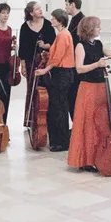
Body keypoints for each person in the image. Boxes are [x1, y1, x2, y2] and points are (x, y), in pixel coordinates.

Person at [67, 16, 111, 172]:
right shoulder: (80, 46)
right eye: (98, 26)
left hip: (101, 88)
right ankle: (86, 160)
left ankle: (99, 157)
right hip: (88, 89)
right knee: (88, 124)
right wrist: (97, 64)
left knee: (101, 124)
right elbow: (79, 69)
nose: (100, 29)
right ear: (90, 28)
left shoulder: (99, 44)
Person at [35, 9, 75, 152]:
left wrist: (44, 70)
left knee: (58, 109)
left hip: (61, 74)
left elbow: (58, 59)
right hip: (62, 73)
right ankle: (59, 140)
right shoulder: (62, 35)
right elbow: (56, 55)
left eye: (53, 18)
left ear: (60, 20)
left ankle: (61, 142)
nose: (51, 20)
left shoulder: (63, 35)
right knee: (58, 107)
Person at [20, 1, 56, 127]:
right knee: (32, 89)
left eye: (41, 8)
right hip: (31, 63)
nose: (40, 10)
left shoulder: (48, 25)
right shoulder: (25, 26)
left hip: (45, 62)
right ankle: (30, 119)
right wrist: (23, 66)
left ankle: (45, 120)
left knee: (46, 90)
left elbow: (54, 45)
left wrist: (45, 46)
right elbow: (22, 49)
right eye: (37, 9)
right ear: (31, 13)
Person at [65, 0, 85, 120]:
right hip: (72, 63)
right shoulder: (74, 19)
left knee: (74, 97)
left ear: (73, 5)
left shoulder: (82, 21)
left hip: (77, 64)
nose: (65, 7)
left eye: (67, 4)